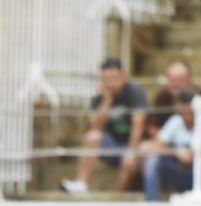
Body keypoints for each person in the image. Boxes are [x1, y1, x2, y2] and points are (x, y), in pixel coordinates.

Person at [61, 58, 147, 194]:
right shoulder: (99, 98)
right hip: (112, 145)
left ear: (123, 76)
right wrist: (107, 100)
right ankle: (82, 184)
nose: (111, 83)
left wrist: (131, 152)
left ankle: (116, 197)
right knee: (92, 137)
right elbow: (95, 127)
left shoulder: (134, 92)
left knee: (129, 161)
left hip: (133, 145)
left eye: (114, 78)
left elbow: (139, 124)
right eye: (106, 79)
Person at [142, 89, 201, 201]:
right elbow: (155, 146)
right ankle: (152, 204)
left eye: (189, 109)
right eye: (182, 109)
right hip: (185, 175)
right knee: (153, 160)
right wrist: (176, 152)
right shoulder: (175, 121)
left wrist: (191, 155)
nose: (185, 114)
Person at [146, 60, 201, 139]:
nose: (176, 84)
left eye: (180, 80)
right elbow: (153, 126)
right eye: (172, 80)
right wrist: (163, 140)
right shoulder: (161, 97)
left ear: (189, 79)